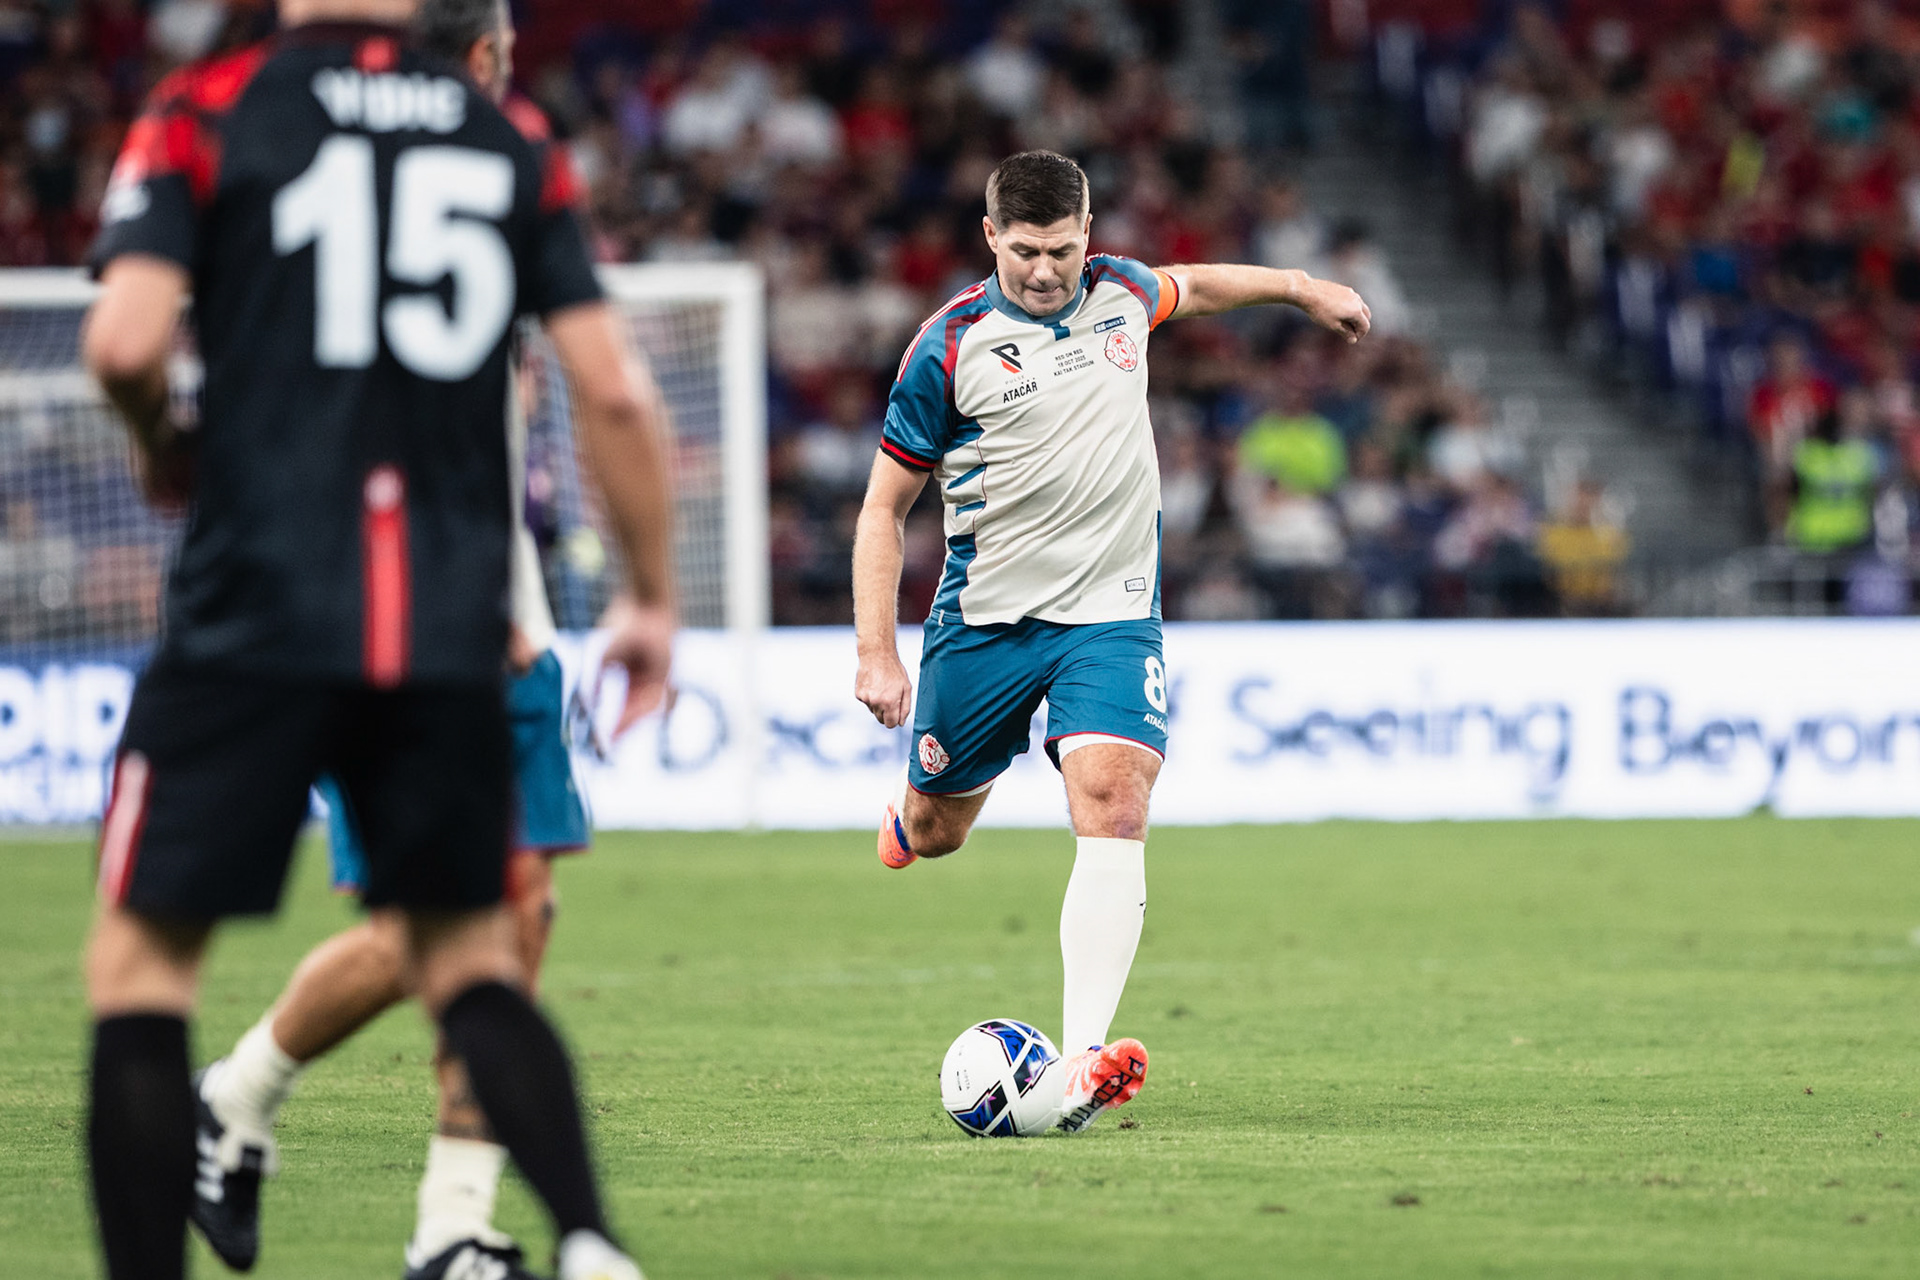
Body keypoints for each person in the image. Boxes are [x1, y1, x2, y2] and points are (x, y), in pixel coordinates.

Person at [79, 2, 673, 1278]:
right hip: (446, 627)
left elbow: (123, 342)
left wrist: (160, 442)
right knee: (476, 951)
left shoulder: (208, 108)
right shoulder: (506, 134)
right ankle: (586, 1238)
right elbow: (617, 389)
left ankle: (413, 1217)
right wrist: (654, 596)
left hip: (255, 603)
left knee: (142, 966)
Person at [852, 150, 1367, 1132]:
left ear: (1089, 235)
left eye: (1064, 248)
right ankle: (910, 810)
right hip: (988, 621)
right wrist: (878, 650)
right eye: (1027, 251)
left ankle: (1081, 1059)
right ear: (990, 237)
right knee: (938, 829)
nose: (1047, 270)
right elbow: (884, 508)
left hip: (1112, 610)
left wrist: (1302, 290)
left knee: (1114, 795)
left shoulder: (1120, 290)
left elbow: (1200, 285)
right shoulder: (948, 346)